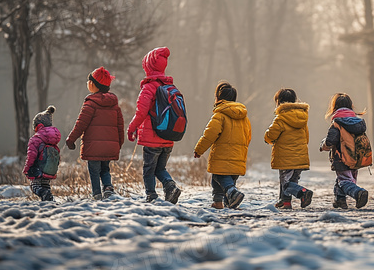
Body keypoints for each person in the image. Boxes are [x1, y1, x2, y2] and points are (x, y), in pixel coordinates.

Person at [127, 47, 182, 203]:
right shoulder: (170, 87)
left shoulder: (148, 87)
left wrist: (131, 128)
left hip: (152, 138)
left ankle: (151, 196)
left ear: (148, 67)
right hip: (169, 136)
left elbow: (141, 112)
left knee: (149, 170)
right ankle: (170, 186)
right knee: (160, 168)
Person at [66, 67, 125, 200]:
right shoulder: (114, 104)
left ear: (93, 85)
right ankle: (108, 188)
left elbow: (81, 124)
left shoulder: (90, 104)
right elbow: (120, 126)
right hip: (109, 146)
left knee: (94, 170)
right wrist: (119, 143)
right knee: (105, 169)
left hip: (93, 147)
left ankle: (97, 194)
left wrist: (71, 139)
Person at [193, 81, 250, 209]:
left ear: (218, 97)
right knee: (227, 179)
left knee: (219, 176)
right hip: (238, 155)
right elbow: (248, 136)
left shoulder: (219, 115)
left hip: (222, 155)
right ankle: (223, 202)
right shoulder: (244, 117)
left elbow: (209, 135)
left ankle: (232, 194)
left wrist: (199, 149)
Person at [264, 88, 312, 209]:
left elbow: (271, 135)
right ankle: (285, 202)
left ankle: (303, 192)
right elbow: (306, 138)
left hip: (285, 157)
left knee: (285, 182)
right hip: (300, 156)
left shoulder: (280, 118)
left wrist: (267, 138)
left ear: (279, 102)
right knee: (292, 181)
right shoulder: (303, 118)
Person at [320, 93, 369, 209]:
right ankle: (340, 200)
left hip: (341, 158)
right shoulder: (358, 123)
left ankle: (358, 193)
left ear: (334, 107)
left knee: (345, 181)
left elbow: (331, 141)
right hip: (356, 157)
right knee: (344, 179)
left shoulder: (337, 123)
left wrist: (323, 145)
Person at [23, 106, 61, 201]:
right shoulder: (53, 139)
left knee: (35, 187)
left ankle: (44, 194)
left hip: (38, 169)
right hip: (49, 169)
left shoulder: (35, 139)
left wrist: (27, 168)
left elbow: (31, 155)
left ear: (38, 126)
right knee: (45, 185)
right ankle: (48, 199)